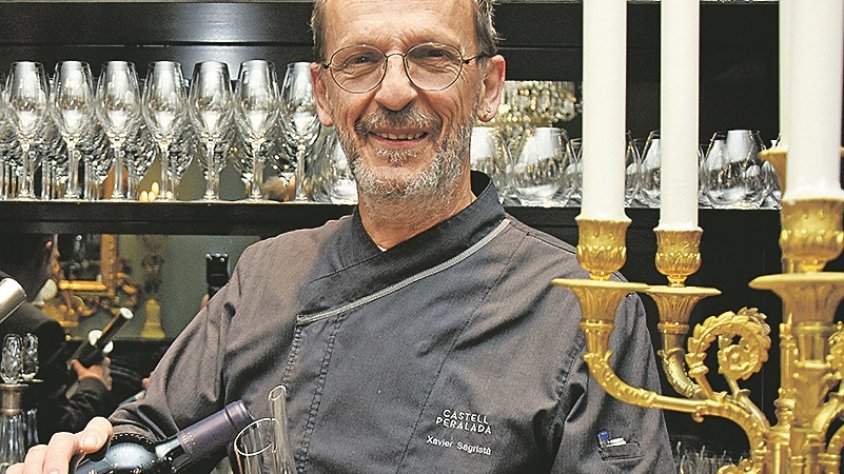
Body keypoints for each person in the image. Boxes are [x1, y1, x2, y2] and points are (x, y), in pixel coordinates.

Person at [11, 0, 674, 472]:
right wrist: (88, 449)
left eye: (432, 57)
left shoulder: (584, 306)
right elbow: (149, 434)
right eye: (359, 61)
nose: (394, 93)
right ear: (323, 95)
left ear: (489, 88)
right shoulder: (265, 275)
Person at [0, 233, 114, 443]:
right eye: (56, 256)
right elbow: (56, 428)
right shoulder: (39, 327)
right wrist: (94, 385)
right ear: (46, 252)